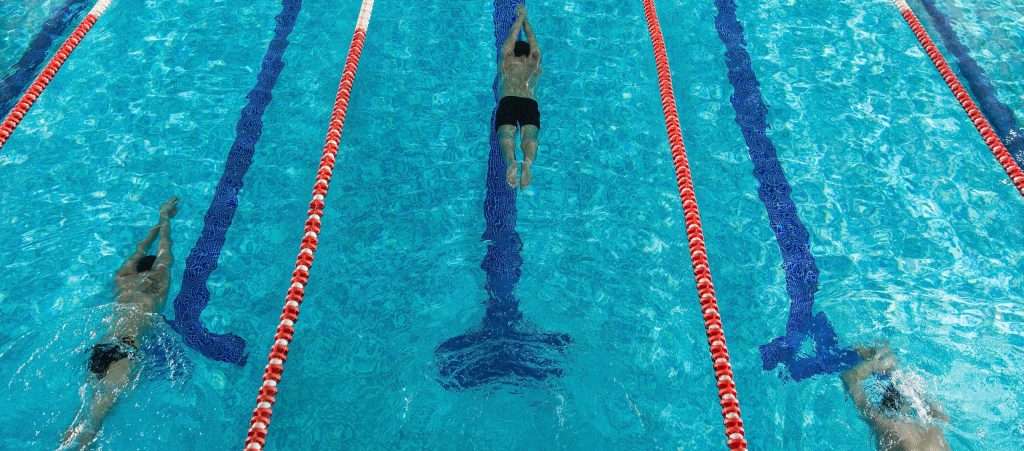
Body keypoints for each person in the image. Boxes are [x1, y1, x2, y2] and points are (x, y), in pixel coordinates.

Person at [61, 196, 178, 450]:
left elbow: (139, 251)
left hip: (102, 345)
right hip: (126, 349)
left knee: (90, 401)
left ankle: (72, 435)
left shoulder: (123, 279)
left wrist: (155, 226)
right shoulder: (158, 287)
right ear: (155, 270)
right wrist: (165, 218)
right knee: (100, 411)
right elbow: (165, 249)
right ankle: (81, 443)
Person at [842, 346, 950, 451]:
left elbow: (848, 378)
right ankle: (881, 356)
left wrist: (872, 366)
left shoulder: (937, 425)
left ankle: (881, 356)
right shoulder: (935, 428)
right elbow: (848, 377)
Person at [497, 4, 542, 188]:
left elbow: (511, 39)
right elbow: (534, 42)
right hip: (529, 101)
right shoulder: (534, 63)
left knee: (506, 135)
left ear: (514, 54)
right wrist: (527, 21)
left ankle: (510, 163)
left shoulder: (507, 61)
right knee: (530, 136)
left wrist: (519, 18)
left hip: (508, 98)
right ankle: (528, 164)